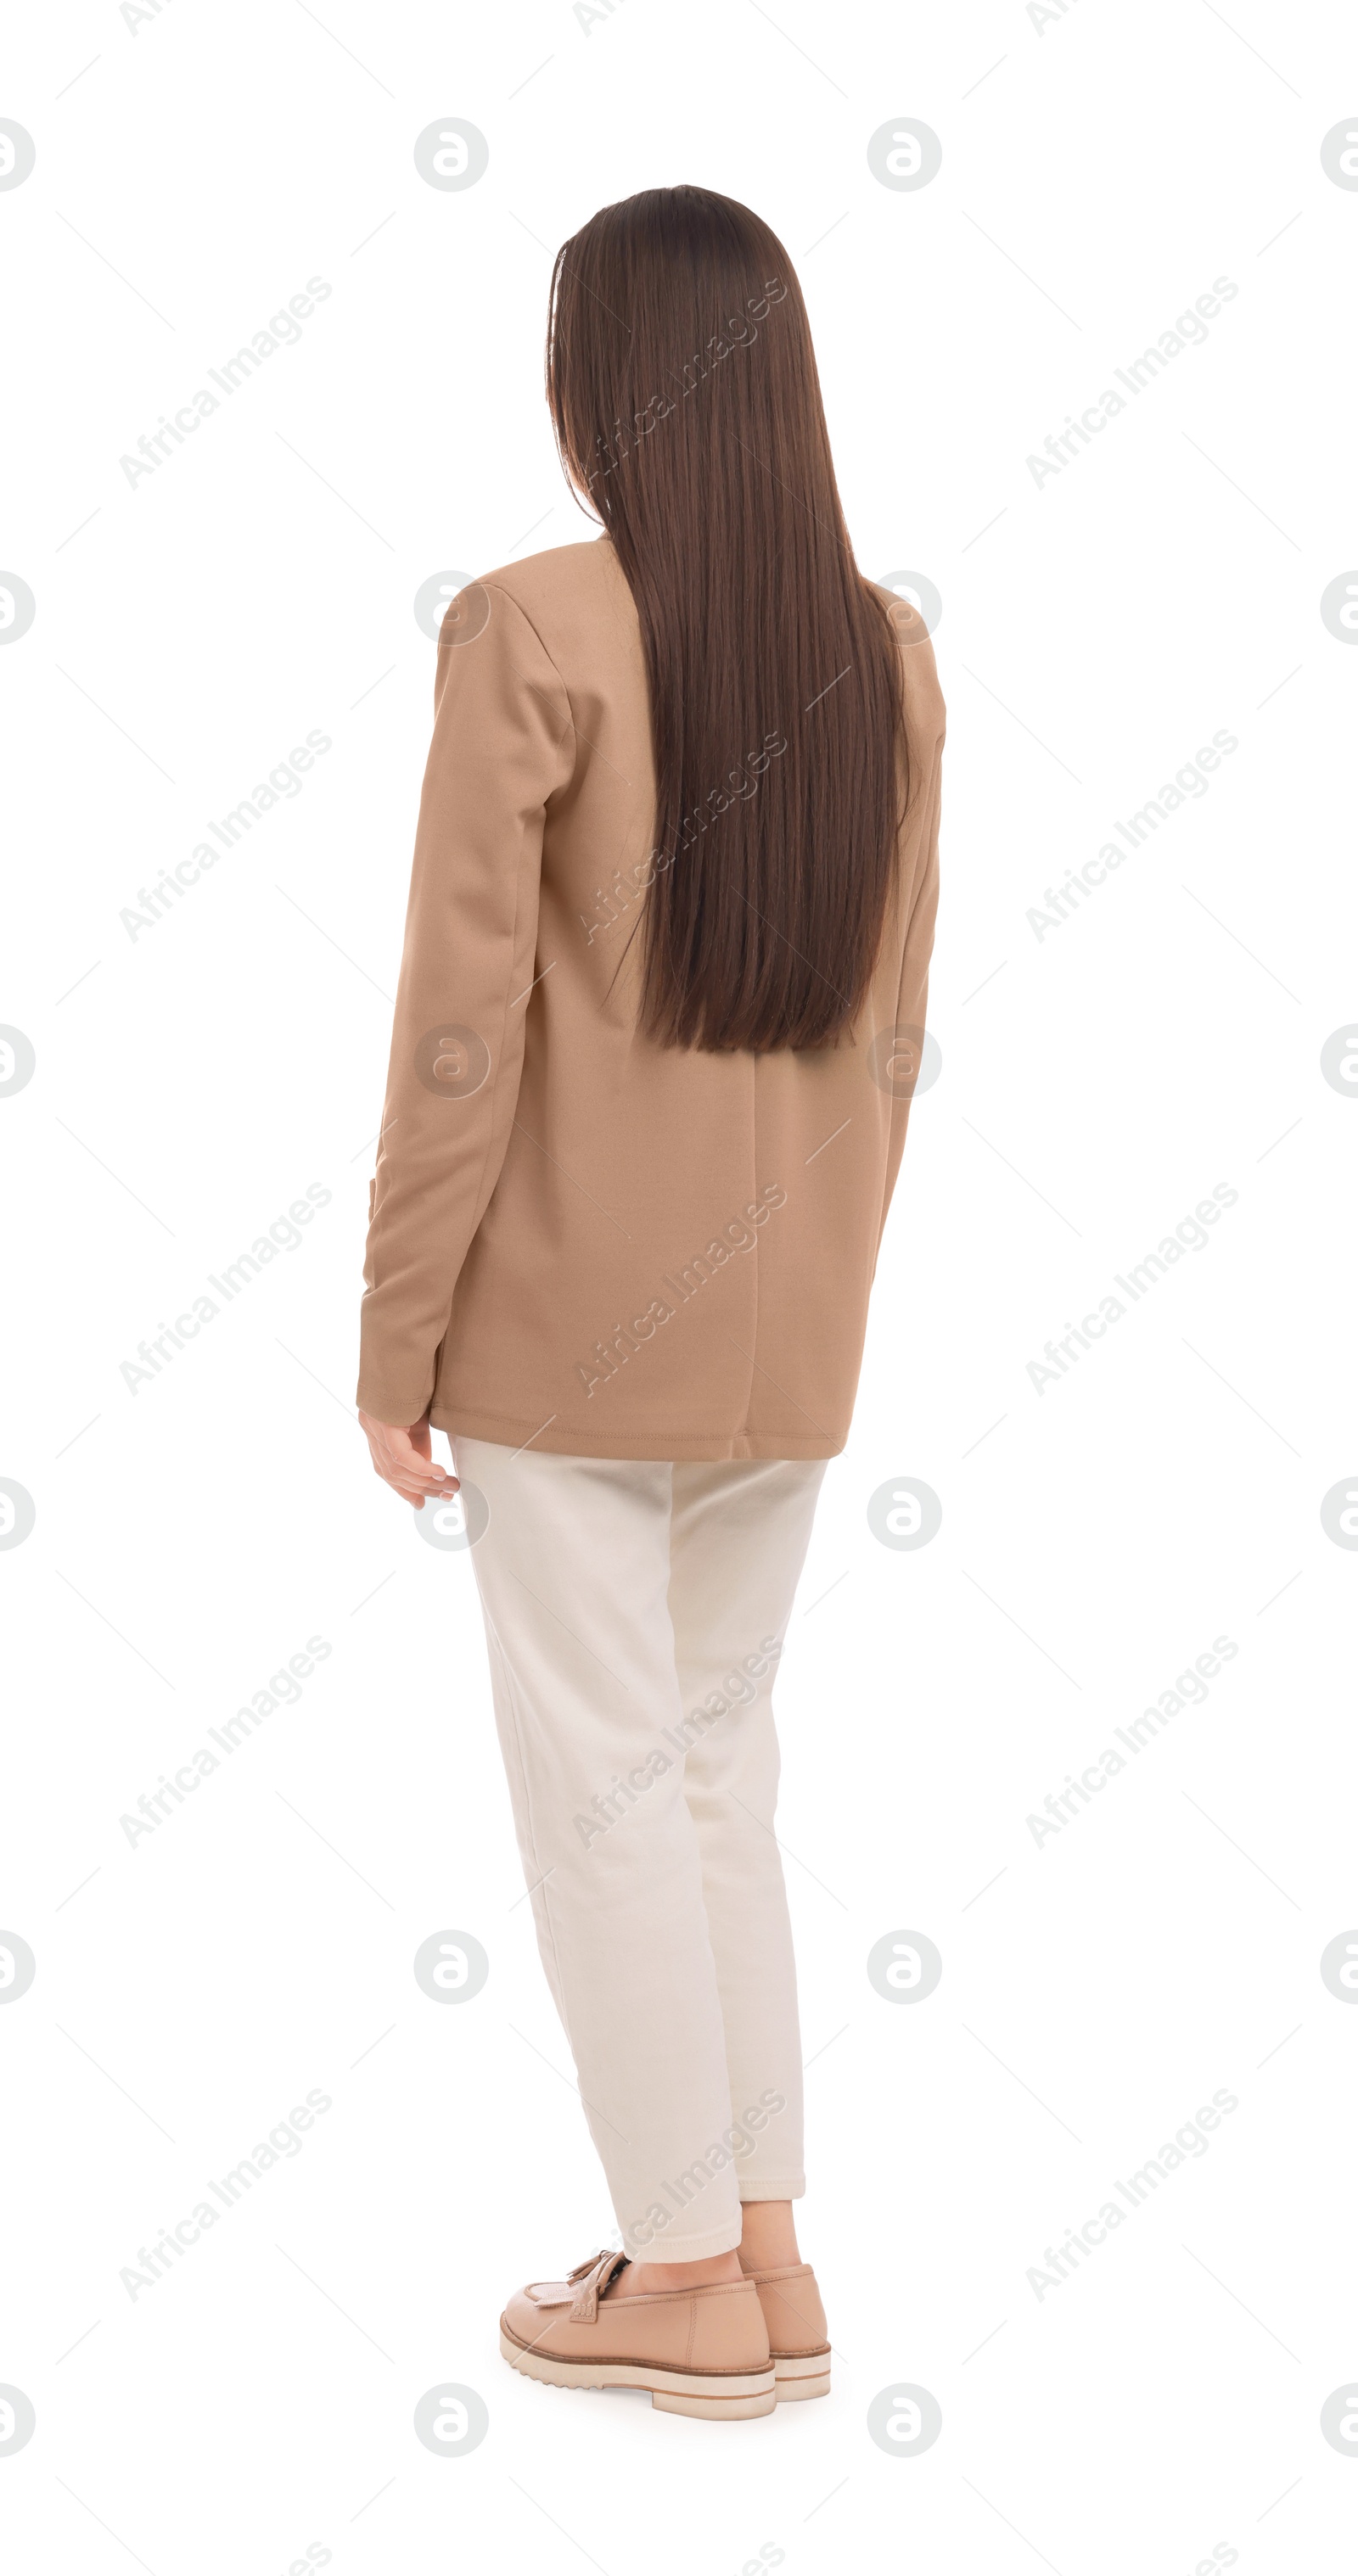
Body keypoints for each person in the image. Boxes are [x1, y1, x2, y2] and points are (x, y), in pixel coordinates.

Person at [356, 183, 943, 2421]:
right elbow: (891, 1035)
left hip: (562, 1334)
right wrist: (820, 1327)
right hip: (785, 1338)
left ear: (594, 384)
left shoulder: (529, 623)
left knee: (612, 1785)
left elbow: (456, 1022)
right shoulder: (884, 650)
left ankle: (680, 2271)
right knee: (713, 1772)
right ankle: (766, 2249)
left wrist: (394, 1327)